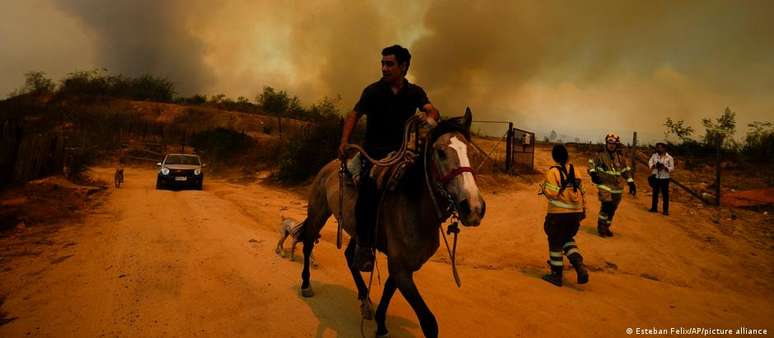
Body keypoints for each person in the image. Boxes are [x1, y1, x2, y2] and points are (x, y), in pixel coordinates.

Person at [338, 45, 440, 272]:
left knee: (422, 182)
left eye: (389, 64)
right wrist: (344, 141)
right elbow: (354, 115)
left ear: (403, 67)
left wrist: (430, 119)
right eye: (382, 63)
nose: (384, 68)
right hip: (372, 155)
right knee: (368, 189)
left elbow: (432, 110)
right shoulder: (373, 91)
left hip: (400, 153)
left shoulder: (414, 92)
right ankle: (364, 246)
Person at [540, 144, 589, 287]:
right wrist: (584, 209)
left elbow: (552, 194)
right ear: (567, 156)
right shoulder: (576, 171)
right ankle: (579, 264)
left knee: (555, 241)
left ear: (554, 157)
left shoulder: (553, 172)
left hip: (558, 214)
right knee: (567, 238)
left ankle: (556, 274)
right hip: (576, 213)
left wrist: (544, 188)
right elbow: (583, 192)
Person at [588, 132, 636, 237]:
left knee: (612, 209)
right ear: (606, 143)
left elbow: (625, 171)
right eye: (609, 143)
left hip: (617, 188)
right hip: (604, 185)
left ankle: (606, 227)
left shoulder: (620, 158)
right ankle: (601, 228)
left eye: (613, 143)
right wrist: (592, 173)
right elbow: (591, 163)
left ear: (616, 145)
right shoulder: (600, 155)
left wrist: (631, 182)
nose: (611, 145)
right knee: (606, 206)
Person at [648, 142, 674, 215]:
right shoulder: (654, 156)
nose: (658, 149)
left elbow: (672, 168)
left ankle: (665, 210)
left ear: (664, 148)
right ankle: (654, 208)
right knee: (655, 193)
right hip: (656, 176)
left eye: (660, 147)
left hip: (665, 177)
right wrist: (654, 165)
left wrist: (665, 168)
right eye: (657, 147)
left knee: (665, 194)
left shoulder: (669, 157)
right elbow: (649, 163)